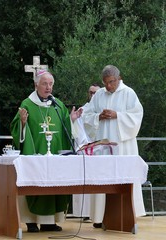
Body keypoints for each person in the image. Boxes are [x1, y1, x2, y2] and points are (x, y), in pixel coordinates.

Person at [10, 70, 82, 233]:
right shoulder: (27, 104)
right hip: (36, 155)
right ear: (36, 85)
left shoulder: (58, 105)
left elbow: (65, 128)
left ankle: (50, 221)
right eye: (44, 83)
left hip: (55, 155)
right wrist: (22, 122)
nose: (48, 87)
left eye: (51, 84)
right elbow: (17, 130)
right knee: (35, 184)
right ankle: (31, 221)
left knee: (54, 183)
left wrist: (71, 120)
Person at [82, 65, 145, 228]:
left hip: (123, 146)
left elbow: (137, 116)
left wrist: (118, 115)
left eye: (111, 82)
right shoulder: (99, 95)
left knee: (123, 178)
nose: (109, 86)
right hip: (103, 147)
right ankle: (100, 217)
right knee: (102, 179)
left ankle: (127, 215)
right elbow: (87, 115)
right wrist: (98, 117)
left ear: (119, 78)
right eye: (106, 83)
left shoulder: (129, 93)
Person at [72, 83, 101, 220]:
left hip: (101, 151)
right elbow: (77, 130)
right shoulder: (82, 110)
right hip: (85, 149)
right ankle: (84, 213)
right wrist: (86, 144)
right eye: (91, 92)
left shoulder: (105, 110)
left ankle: (100, 213)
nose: (93, 95)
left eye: (96, 92)